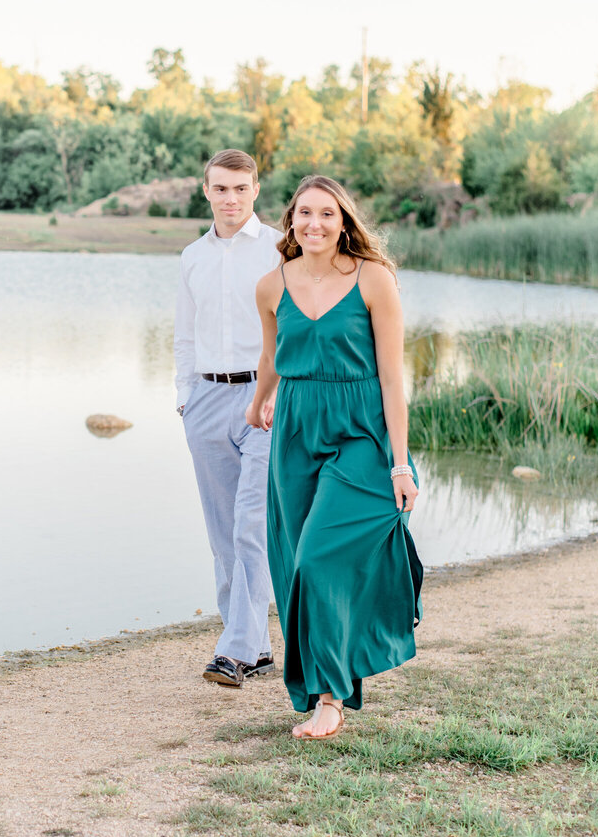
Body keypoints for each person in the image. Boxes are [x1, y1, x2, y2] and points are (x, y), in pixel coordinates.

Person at [245, 175, 422, 739]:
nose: (314, 224)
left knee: (322, 557)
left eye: (326, 214)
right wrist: (257, 403)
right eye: (304, 214)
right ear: (290, 221)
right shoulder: (270, 286)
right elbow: (272, 355)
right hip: (297, 429)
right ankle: (326, 681)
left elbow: (393, 380)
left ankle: (330, 699)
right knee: (298, 563)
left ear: (344, 220)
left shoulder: (374, 279)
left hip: (361, 431)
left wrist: (400, 463)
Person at [174, 149, 284, 688]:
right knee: (222, 535)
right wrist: (184, 398)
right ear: (207, 190)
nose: (231, 198)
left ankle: (235, 650)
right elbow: (185, 334)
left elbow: (294, 324)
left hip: (263, 399)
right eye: (221, 188)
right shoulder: (192, 256)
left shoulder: (278, 250)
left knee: (250, 525)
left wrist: (275, 392)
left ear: (256, 190)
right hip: (206, 402)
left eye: (240, 188)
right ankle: (257, 649)